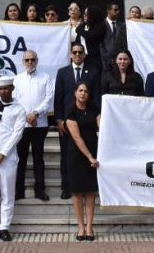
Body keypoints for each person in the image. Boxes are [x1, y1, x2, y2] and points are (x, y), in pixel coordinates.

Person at [53, 43, 99, 200]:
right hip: (68, 121)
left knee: (88, 153)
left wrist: (97, 117)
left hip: (87, 120)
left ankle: (89, 187)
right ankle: (66, 187)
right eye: (75, 52)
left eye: (80, 52)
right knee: (66, 155)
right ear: (70, 55)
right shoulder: (62, 72)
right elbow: (58, 97)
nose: (78, 55)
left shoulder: (93, 71)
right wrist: (59, 119)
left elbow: (97, 97)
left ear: (84, 54)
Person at [0, 77, 26, 242]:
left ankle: (4, 227)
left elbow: (17, 134)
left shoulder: (19, 109)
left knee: (8, 193)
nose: (4, 92)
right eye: (1, 89)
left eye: (7, 88)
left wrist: (3, 153)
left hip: (7, 157)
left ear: (12, 88)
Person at [14, 50, 53, 202]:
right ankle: (18, 191)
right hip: (22, 125)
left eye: (33, 60)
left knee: (38, 158)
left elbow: (48, 99)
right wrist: (27, 117)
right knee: (20, 159)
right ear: (23, 62)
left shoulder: (45, 78)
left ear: (37, 61)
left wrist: (35, 114)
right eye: (27, 60)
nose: (30, 62)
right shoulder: (17, 79)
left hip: (40, 124)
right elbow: (14, 101)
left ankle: (40, 191)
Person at [66, 81, 100, 241]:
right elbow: (77, 138)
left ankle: (89, 226)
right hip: (77, 156)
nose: (83, 93)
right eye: (80, 90)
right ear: (75, 93)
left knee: (91, 192)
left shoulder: (95, 110)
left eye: (86, 91)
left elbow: (103, 128)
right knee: (78, 192)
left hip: (94, 153)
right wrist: (90, 157)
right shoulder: (71, 112)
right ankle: (80, 227)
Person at [76, 5, 107, 73]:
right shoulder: (82, 27)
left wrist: (78, 29)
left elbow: (89, 36)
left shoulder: (100, 27)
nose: (84, 16)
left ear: (92, 15)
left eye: (86, 14)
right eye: (84, 14)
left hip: (94, 59)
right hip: (81, 59)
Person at [100, 2, 126, 71]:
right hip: (105, 63)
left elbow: (124, 43)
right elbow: (100, 44)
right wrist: (108, 59)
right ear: (108, 11)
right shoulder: (101, 25)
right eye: (115, 10)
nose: (118, 12)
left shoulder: (122, 25)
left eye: (118, 10)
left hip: (120, 63)